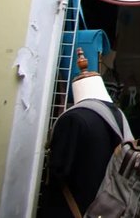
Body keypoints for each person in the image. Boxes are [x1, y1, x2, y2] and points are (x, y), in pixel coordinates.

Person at [43, 48, 131, 218]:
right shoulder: (118, 116)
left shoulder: (73, 120)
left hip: (74, 209)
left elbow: (57, 171)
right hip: (108, 210)